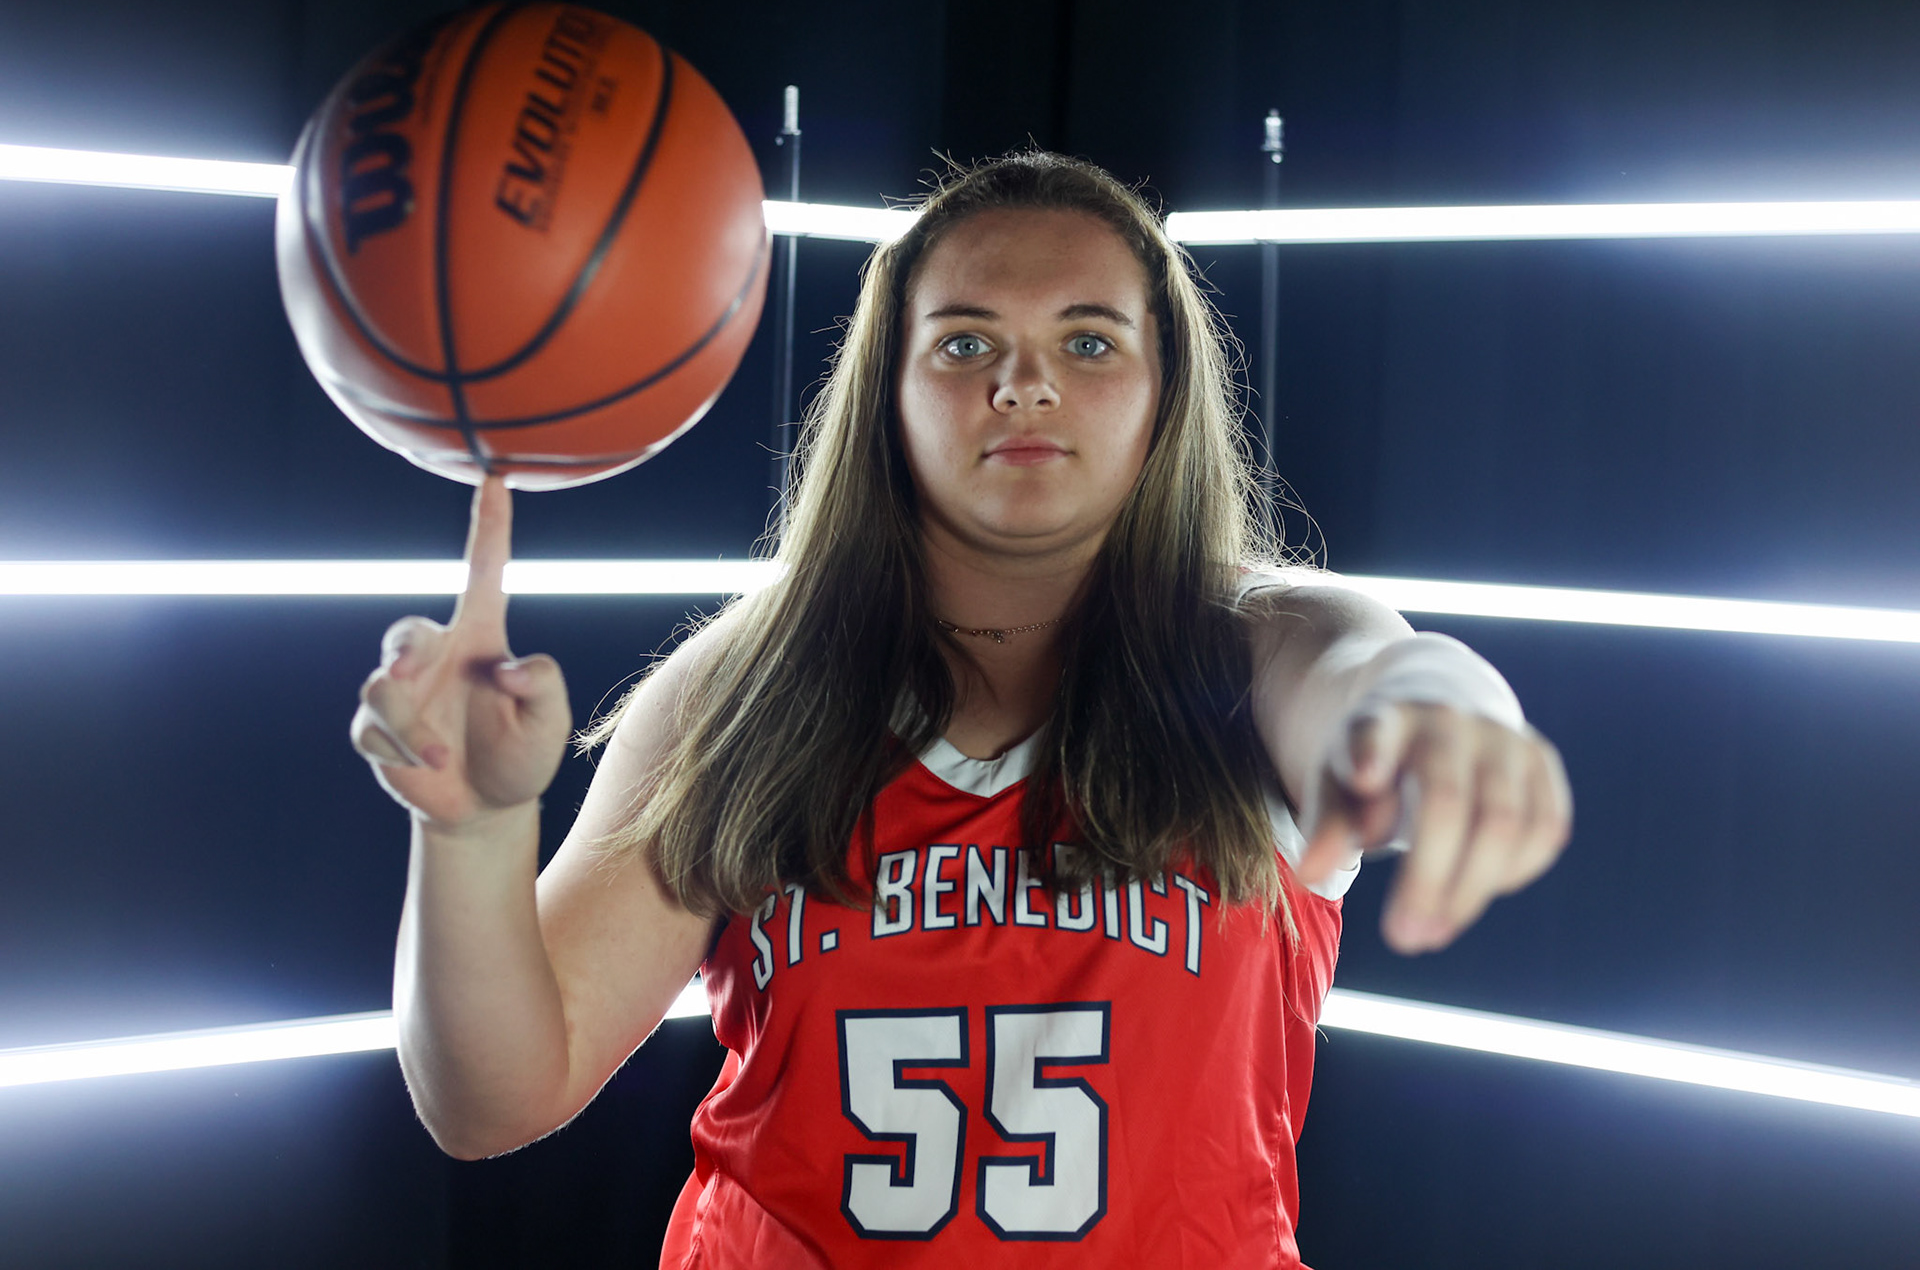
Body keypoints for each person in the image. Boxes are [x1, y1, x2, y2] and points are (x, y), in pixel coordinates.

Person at [351, 151, 1571, 1268]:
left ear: (1165, 391)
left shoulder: (1257, 644)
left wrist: (1444, 719)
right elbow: (490, 1098)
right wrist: (465, 829)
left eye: (1089, 342)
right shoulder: (746, 686)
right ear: (889, 390)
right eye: (964, 343)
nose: (1025, 383)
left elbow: (1381, 675)